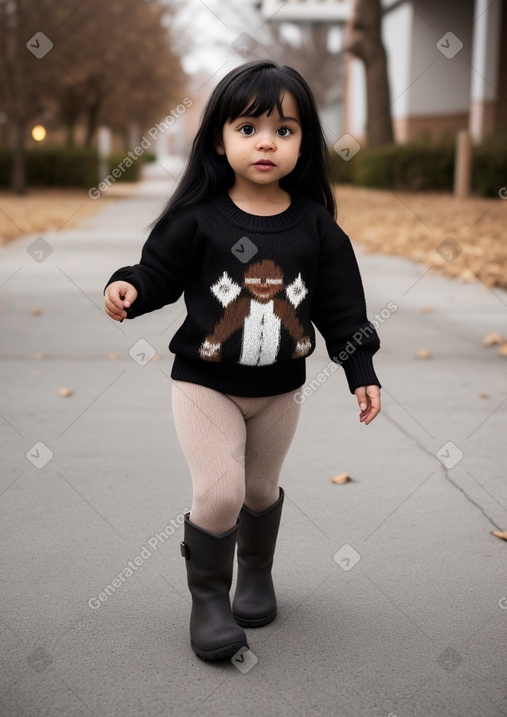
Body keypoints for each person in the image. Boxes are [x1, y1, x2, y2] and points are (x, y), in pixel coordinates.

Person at [104, 60, 381, 662]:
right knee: (222, 491)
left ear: (305, 143)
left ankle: (255, 574)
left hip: (281, 389)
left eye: (285, 130)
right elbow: (158, 273)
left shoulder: (316, 226)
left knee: (259, 490)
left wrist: (361, 370)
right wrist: (130, 286)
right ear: (219, 139)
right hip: (206, 383)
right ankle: (208, 601)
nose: (266, 142)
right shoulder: (198, 217)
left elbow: (342, 309)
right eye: (248, 127)